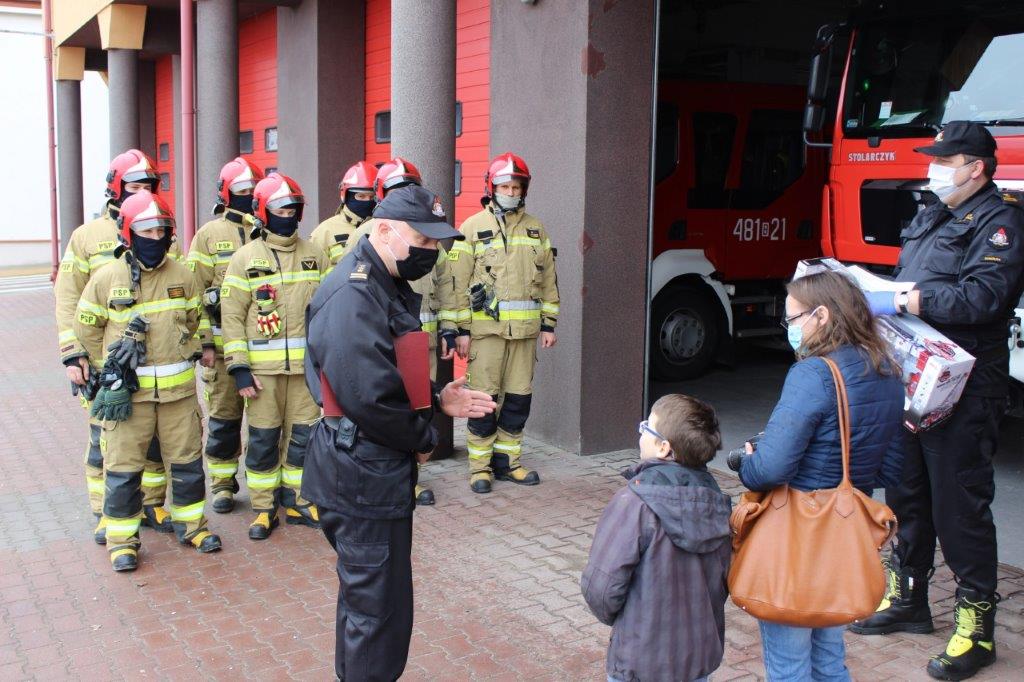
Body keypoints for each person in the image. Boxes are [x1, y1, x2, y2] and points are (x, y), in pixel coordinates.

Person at [302, 184, 497, 682]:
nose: (430, 251)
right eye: (422, 240)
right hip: (362, 472)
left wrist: (435, 398)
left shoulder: (380, 283)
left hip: (369, 467)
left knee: (370, 605)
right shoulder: (354, 293)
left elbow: (382, 371)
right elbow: (368, 396)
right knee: (377, 614)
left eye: (436, 243)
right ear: (384, 230)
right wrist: (424, 437)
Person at [853, 121, 1024, 680]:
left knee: (959, 506)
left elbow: (983, 297)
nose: (934, 169)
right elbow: (909, 275)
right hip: (913, 377)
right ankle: (909, 598)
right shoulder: (932, 213)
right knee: (907, 493)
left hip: (965, 387)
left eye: (945, 161)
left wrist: (906, 298)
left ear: (976, 168)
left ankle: (976, 630)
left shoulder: (1002, 222)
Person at [731, 271, 905, 680]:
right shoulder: (887, 370)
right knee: (829, 659)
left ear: (822, 315)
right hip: (844, 538)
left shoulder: (814, 373)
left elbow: (771, 469)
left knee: (789, 666)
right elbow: (893, 467)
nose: (789, 328)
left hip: (797, 539)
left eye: (792, 319)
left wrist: (745, 462)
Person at [73, 190, 221, 572]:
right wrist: (102, 371)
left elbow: (196, 319)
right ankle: (122, 542)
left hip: (179, 396)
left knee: (187, 465)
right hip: (129, 399)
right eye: (147, 231)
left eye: (161, 231)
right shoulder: (107, 278)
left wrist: (200, 346)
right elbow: (86, 328)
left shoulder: (183, 275)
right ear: (128, 233)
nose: (156, 238)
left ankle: (193, 526)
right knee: (123, 469)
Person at [55, 149, 179, 543]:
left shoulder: (159, 227)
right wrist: (73, 354)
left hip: (154, 362)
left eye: (149, 186)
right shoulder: (87, 237)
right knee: (104, 439)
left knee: (154, 443)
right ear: (115, 187)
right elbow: (68, 299)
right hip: (105, 363)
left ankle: (152, 504)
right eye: (135, 186)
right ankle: (106, 512)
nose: (143, 192)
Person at [581, 394, 731, 682]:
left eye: (646, 427)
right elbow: (724, 580)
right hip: (699, 657)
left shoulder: (634, 502)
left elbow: (602, 588)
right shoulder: (718, 502)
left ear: (664, 448)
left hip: (641, 659)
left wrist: (625, 622)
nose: (640, 433)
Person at [220, 172, 329, 540]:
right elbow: (232, 316)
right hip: (262, 375)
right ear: (263, 212)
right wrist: (238, 368)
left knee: (303, 439)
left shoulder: (315, 254)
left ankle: (298, 501)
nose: (288, 216)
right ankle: (264, 508)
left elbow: (328, 309)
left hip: (305, 372)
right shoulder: (245, 258)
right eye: (281, 210)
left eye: (293, 210)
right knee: (264, 440)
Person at [444, 152, 560, 493]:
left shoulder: (536, 229)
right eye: (504, 186)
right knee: (483, 400)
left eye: (516, 187)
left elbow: (549, 279)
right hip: (485, 335)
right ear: (491, 188)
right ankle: (480, 468)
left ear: (524, 189)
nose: (510, 192)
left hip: (524, 334)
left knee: (518, 400)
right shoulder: (471, 228)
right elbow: (456, 283)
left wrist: (549, 324)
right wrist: (461, 331)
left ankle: (508, 463)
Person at [340, 157, 451, 506]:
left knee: (416, 400)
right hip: (382, 340)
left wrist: (450, 328)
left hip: (417, 339)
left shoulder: (426, 239)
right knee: (388, 404)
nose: (429, 249)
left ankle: (410, 473)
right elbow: (370, 392)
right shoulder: (364, 249)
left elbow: (446, 283)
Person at [187, 156, 264, 513]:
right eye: (242, 190)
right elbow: (193, 294)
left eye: (253, 190)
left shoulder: (269, 230)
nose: (248, 195)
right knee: (224, 419)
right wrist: (204, 342)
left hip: (263, 348)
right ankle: (222, 483)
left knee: (266, 422)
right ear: (226, 193)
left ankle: (265, 481)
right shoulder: (208, 235)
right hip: (220, 350)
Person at [309, 160, 376, 274]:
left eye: (372, 197)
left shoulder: (384, 226)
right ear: (346, 196)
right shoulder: (324, 233)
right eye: (361, 196)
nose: (367, 201)